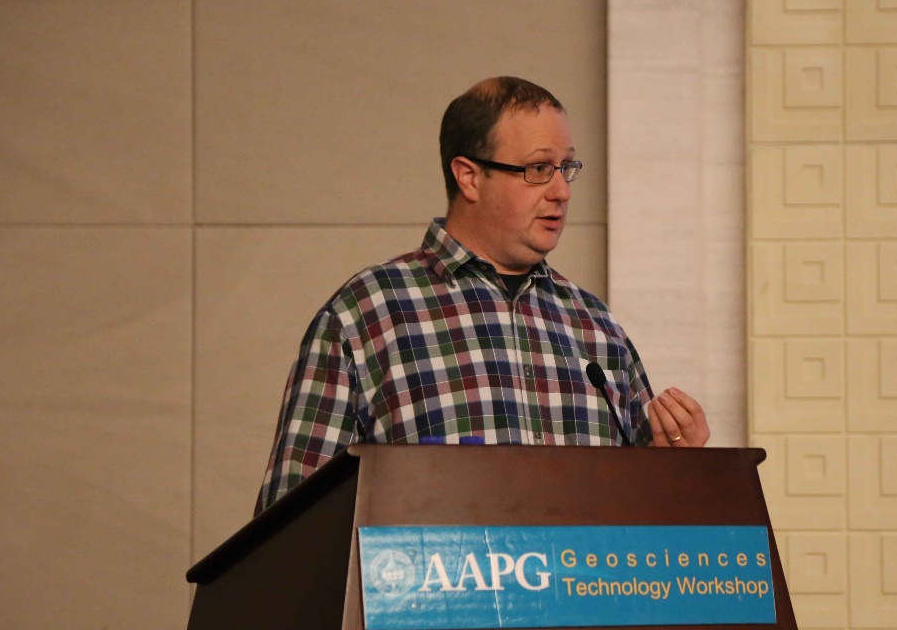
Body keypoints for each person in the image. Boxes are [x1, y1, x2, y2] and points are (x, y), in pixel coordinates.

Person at [255, 76, 709, 514]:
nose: (561, 191)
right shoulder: (367, 314)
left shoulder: (594, 325)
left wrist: (673, 468)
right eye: (538, 169)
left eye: (566, 168)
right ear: (469, 177)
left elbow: (643, 524)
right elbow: (293, 522)